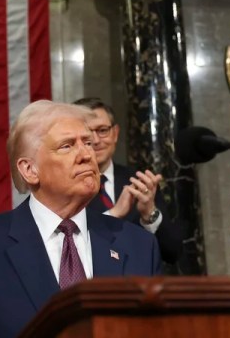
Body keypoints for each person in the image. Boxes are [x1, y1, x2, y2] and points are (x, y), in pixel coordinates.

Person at [0, 100, 161, 338]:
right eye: (67, 146)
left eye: (88, 143)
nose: (86, 155)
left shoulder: (139, 245)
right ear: (30, 170)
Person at [73, 97, 183, 264]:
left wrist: (149, 215)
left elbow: (172, 252)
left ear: (115, 133)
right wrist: (114, 214)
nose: (96, 140)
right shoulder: (63, 187)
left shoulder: (139, 181)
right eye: (87, 133)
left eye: (102, 130)